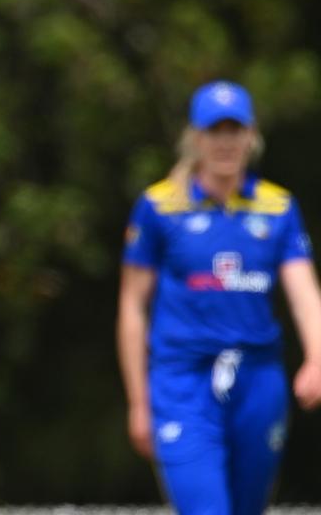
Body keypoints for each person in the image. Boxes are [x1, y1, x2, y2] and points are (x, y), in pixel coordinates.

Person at [117, 80, 321, 515]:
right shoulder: (159, 207)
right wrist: (138, 401)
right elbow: (132, 307)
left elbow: (304, 291)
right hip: (183, 379)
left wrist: (318, 358)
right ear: (195, 138)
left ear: (252, 137)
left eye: (235, 130)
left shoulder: (278, 208)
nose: (226, 143)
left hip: (258, 378)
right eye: (215, 131)